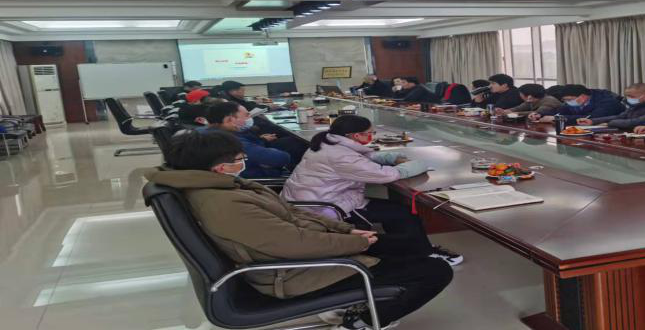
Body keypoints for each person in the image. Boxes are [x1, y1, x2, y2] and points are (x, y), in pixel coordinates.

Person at [147, 130, 452, 330]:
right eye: (239, 159)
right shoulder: (225, 202)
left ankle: (362, 295)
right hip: (294, 274)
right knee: (435, 271)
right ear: (218, 167)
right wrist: (355, 244)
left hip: (298, 258)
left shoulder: (221, 186)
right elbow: (293, 243)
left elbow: (290, 215)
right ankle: (361, 322)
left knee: (404, 244)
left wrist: (345, 232)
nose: (244, 162)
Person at [281, 115, 462, 266]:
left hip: (309, 200)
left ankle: (410, 251)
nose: (371, 136)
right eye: (369, 133)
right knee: (402, 214)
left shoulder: (328, 143)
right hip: (325, 208)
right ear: (354, 135)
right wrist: (419, 163)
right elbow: (388, 175)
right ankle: (424, 253)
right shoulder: (341, 156)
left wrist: (390, 157)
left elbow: (361, 158)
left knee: (396, 211)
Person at [203, 102, 291, 178]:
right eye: (246, 115)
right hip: (257, 181)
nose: (250, 117)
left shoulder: (208, 132)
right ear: (229, 119)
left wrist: (261, 140)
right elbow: (281, 158)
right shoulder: (231, 142)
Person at [577, 83, 645, 130]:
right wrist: (592, 121)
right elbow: (620, 116)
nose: (628, 99)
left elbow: (639, 121)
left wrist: (610, 123)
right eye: (627, 96)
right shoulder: (636, 104)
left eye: (631, 96)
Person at [533, 84, 625, 124]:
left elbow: (590, 118)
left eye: (569, 100)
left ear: (582, 97)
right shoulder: (576, 100)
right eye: (565, 100)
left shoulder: (608, 101)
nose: (567, 102)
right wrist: (540, 114)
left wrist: (557, 118)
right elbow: (560, 111)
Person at [495, 83, 562, 118]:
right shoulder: (531, 100)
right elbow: (519, 108)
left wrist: (515, 113)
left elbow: (537, 113)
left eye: (521, 94)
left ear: (529, 96)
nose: (520, 95)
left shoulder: (549, 101)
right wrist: (505, 111)